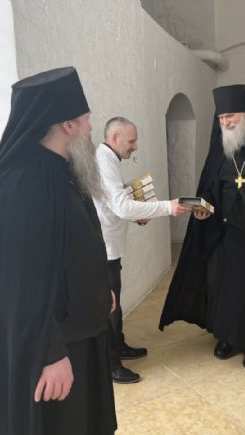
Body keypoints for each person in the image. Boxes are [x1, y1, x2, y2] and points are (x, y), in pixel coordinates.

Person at [0, 67, 118, 435]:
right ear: (67, 124)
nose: (90, 128)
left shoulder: (61, 171)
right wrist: (50, 353)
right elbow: (15, 282)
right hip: (53, 351)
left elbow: (75, 248)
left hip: (83, 335)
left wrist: (102, 291)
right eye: (85, 120)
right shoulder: (22, 184)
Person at [159, 84, 245, 369]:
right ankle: (226, 337)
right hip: (225, 233)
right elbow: (211, 187)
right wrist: (205, 207)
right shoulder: (220, 145)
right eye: (222, 117)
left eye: (231, 116)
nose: (226, 122)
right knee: (224, 287)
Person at [93, 116, 191, 383]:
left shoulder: (110, 159)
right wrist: (168, 207)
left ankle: (119, 345)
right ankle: (112, 364)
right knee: (109, 307)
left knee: (115, 301)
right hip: (103, 248)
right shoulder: (104, 161)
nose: (135, 146)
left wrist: (138, 215)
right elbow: (122, 207)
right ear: (115, 138)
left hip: (111, 245)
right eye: (132, 141)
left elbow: (114, 204)